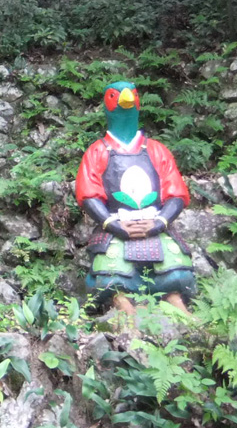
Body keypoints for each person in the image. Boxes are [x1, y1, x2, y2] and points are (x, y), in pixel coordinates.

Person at [75, 80, 196, 315]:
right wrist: (113, 224)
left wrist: (160, 222)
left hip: (155, 222)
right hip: (116, 224)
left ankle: (177, 306)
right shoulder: (97, 151)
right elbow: (88, 194)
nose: (125, 98)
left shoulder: (156, 150)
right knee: (109, 274)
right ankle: (124, 309)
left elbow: (176, 192)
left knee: (176, 271)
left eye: (131, 94)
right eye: (116, 95)